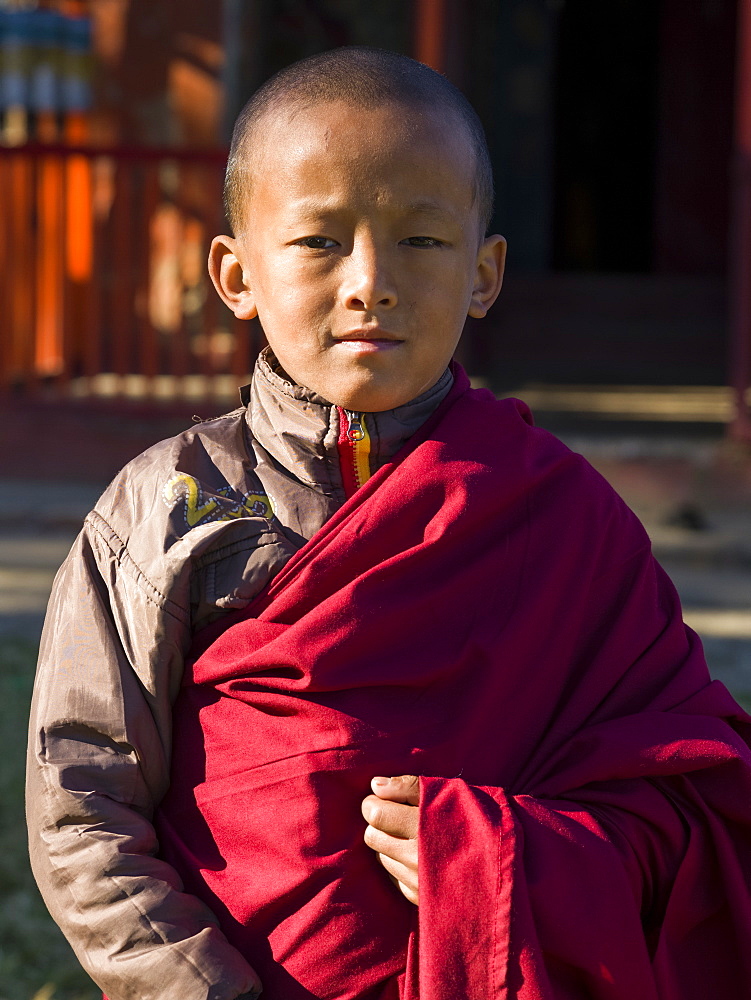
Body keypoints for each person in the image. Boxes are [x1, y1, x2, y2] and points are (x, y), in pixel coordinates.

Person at [26, 46, 751, 1000]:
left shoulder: (562, 513)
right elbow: (82, 805)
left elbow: (685, 790)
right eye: (320, 241)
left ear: (485, 272)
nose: (372, 281)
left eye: (422, 241)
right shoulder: (165, 506)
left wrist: (506, 860)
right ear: (236, 273)